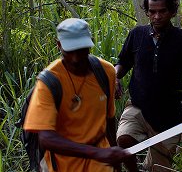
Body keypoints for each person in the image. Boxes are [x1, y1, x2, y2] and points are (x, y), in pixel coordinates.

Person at [115, 0, 182, 172]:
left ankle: (152, 164)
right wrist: (114, 76)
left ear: (172, 11)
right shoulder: (137, 35)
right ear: (147, 12)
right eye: (152, 12)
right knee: (124, 139)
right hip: (138, 107)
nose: (157, 16)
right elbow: (122, 62)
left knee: (163, 168)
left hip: (168, 116)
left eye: (162, 11)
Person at [23, 18, 130, 171]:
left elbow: (109, 119)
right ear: (59, 45)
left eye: (81, 50)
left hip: (99, 162)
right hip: (63, 163)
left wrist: (114, 159)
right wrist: (96, 153)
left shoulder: (105, 72)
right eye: (69, 51)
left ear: (90, 43)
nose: (75, 58)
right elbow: (46, 138)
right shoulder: (49, 81)